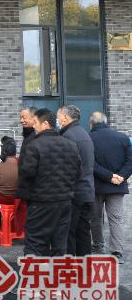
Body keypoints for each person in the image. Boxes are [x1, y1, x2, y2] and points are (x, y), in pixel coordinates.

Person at [17, 108, 81, 256]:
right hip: (65, 201)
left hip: (41, 202)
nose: (33, 126)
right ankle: (58, 271)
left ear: (45, 124)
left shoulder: (35, 145)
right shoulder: (70, 145)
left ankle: (34, 271)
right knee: (60, 243)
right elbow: (77, 172)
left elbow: (26, 173)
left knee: (34, 243)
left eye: (35, 122)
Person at [89, 111, 132, 262]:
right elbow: (130, 161)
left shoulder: (89, 138)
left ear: (91, 124)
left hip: (96, 186)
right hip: (117, 186)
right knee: (116, 219)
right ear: (106, 122)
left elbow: (91, 164)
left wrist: (109, 176)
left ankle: (98, 246)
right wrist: (120, 176)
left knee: (95, 218)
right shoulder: (123, 138)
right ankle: (117, 252)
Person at [57, 105, 95, 256]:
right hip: (87, 190)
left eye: (58, 116)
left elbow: (67, 167)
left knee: (69, 232)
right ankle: (84, 265)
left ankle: (70, 266)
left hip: (74, 192)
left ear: (65, 117)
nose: (57, 120)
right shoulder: (84, 133)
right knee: (83, 232)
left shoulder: (68, 136)